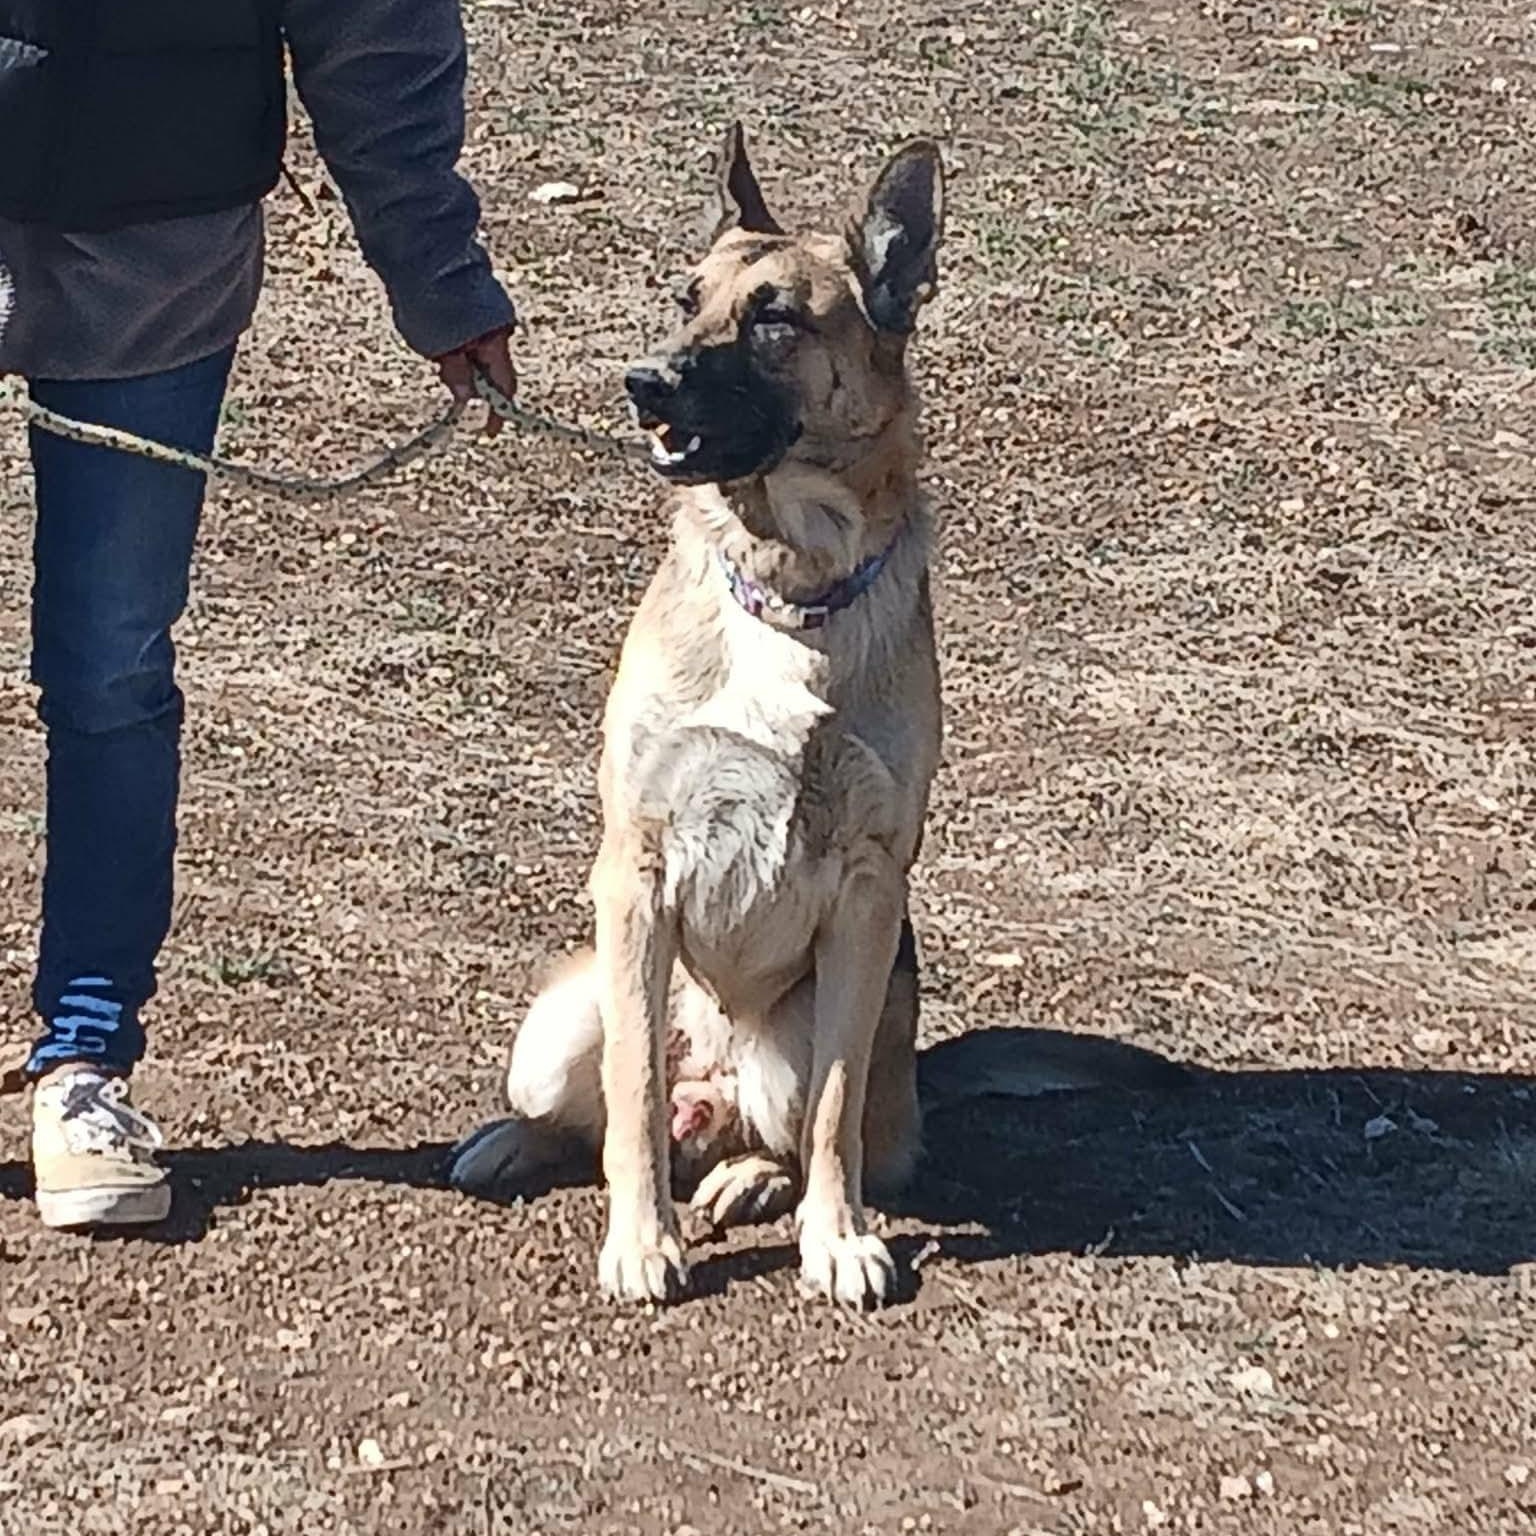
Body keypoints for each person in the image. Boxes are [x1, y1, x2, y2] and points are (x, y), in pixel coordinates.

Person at [0, 0, 519, 1229]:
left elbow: (372, 27)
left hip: (157, 255)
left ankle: (85, 1063)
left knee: (110, 670)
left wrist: (438, 271)